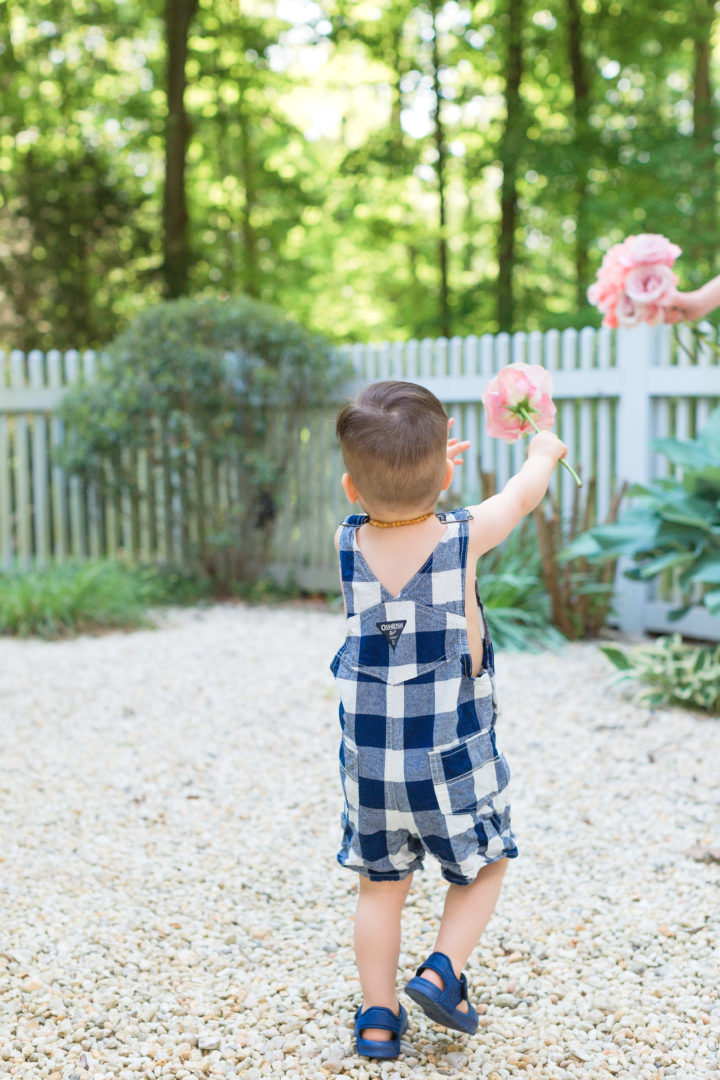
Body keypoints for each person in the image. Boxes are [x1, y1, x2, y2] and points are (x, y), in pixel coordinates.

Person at [330, 380, 568, 1059]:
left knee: (380, 887)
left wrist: (420, 480)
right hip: (452, 756)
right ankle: (442, 970)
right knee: (485, 864)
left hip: (371, 767)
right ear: (446, 476)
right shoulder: (463, 536)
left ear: (351, 488)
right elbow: (522, 494)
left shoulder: (346, 543)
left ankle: (377, 1021)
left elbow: (394, 507)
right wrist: (544, 451)